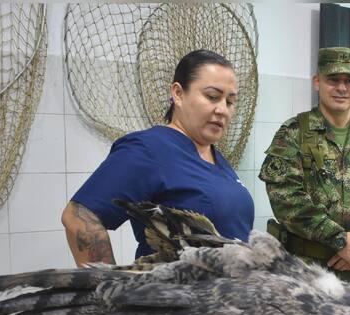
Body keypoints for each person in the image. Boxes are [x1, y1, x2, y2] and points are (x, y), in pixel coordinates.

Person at [62, 50, 254, 266]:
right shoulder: (148, 149)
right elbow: (77, 217)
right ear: (178, 94)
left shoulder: (216, 158)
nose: (223, 110)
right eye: (212, 97)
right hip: (179, 287)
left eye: (230, 102)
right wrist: (110, 284)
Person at [259, 47, 350, 288]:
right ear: (317, 82)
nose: (341, 88)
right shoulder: (294, 133)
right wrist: (340, 240)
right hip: (306, 272)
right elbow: (285, 199)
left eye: (349, 81)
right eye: (333, 79)